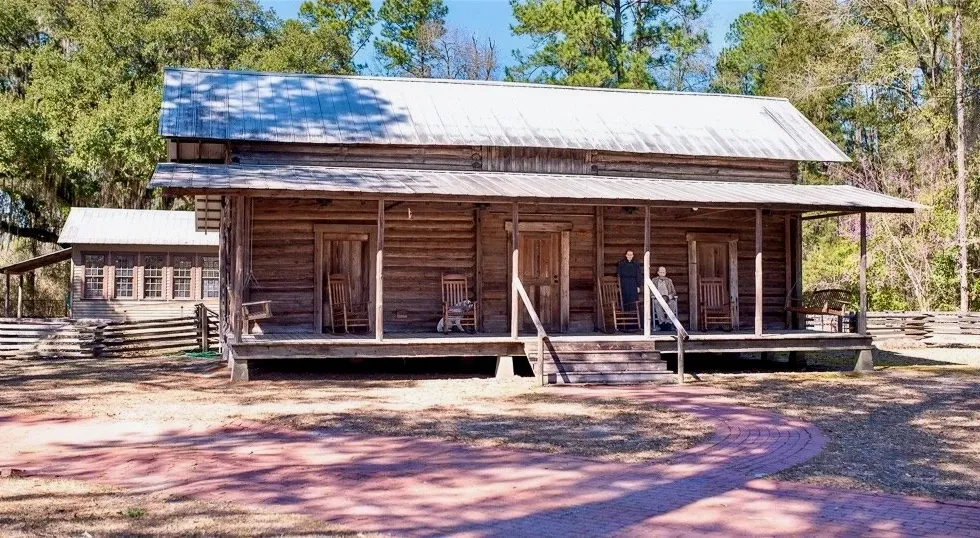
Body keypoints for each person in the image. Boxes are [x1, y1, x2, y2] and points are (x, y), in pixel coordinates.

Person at [616, 250, 641, 331]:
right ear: (626, 255)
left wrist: (638, 286)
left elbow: (638, 275)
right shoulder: (621, 264)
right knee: (625, 303)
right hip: (624, 285)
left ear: (633, 255)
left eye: (631, 254)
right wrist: (619, 286)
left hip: (633, 285)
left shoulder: (636, 264)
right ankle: (624, 325)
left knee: (633, 303)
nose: (630, 256)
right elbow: (618, 275)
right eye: (628, 254)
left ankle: (634, 325)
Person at [651, 266, 678, 331]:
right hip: (658, 299)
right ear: (658, 272)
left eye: (663, 272)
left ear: (665, 273)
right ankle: (662, 323)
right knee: (656, 302)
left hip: (667, 299)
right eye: (661, 272)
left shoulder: (669, 280)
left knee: (673, 303)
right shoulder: (654, 280)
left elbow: (674, 292)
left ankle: (668, 323)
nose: (662, 273)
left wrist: (670, 296)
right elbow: (651, 292)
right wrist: (656, 296)